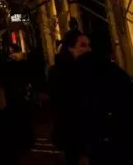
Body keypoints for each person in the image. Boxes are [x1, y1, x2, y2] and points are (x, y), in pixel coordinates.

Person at [49, 29, 133, 165]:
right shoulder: (63, 74)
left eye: (89, 45)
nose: (88, 49)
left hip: (103, 138)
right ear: (70, 48)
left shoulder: (97, 67)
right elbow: (63, 111)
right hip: (81, 140)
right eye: (82, 45)